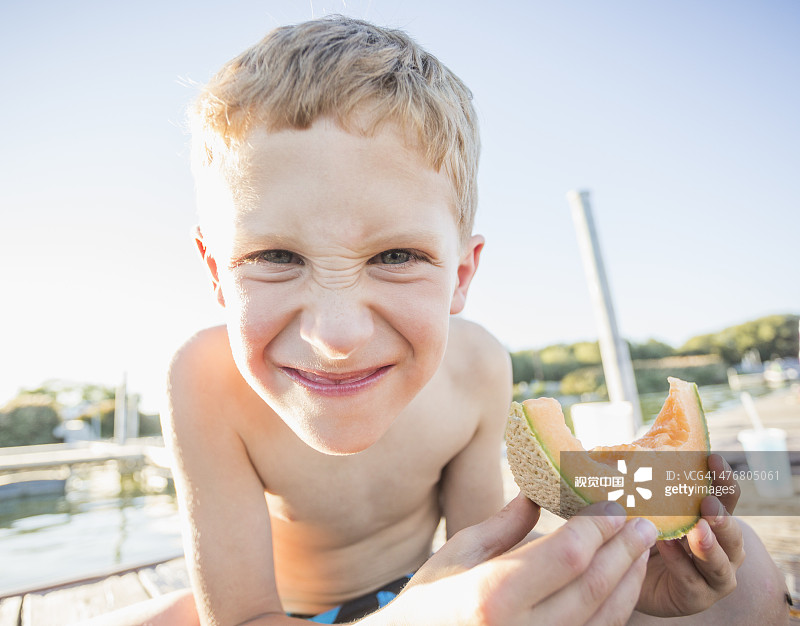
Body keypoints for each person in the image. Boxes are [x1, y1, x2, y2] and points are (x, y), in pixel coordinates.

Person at [98, 15, 789, 625]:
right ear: (217, 273)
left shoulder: (479, 366)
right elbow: (242, 616)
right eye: (275, 255)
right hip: (279, 614)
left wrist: (631, 562)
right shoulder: (202, 378)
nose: (335, 337)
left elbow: (483, 551)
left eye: (396, 255)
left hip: (431, 590)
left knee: (750, 579)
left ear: (461, 275)